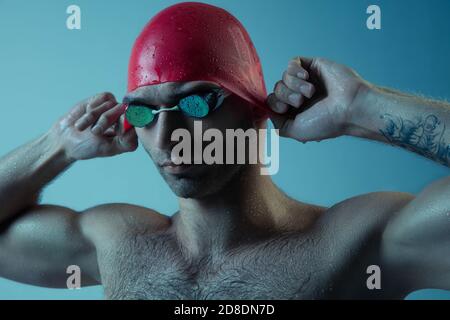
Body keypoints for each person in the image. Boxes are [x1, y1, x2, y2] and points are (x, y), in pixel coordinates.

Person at [0, 2, 448, 299]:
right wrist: (57, 144)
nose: (166, 134)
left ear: (254, 109)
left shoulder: (357, 244)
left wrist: (362, 108)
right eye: (143, 113)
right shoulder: (117, 244)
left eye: (195, 103)